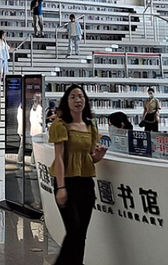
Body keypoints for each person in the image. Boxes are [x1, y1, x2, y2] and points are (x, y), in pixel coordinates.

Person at [49, 84, 107, 265]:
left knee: (81, 234)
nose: (77, 100)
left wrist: (98, 156)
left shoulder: (90, 126)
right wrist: (61, 187)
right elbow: (59, 158)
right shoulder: (60, 125)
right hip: (66, 181)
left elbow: (90, 157)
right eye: (73, 97)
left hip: (86, 183)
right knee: (73, 231)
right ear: (66, 102)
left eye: (80, 96)